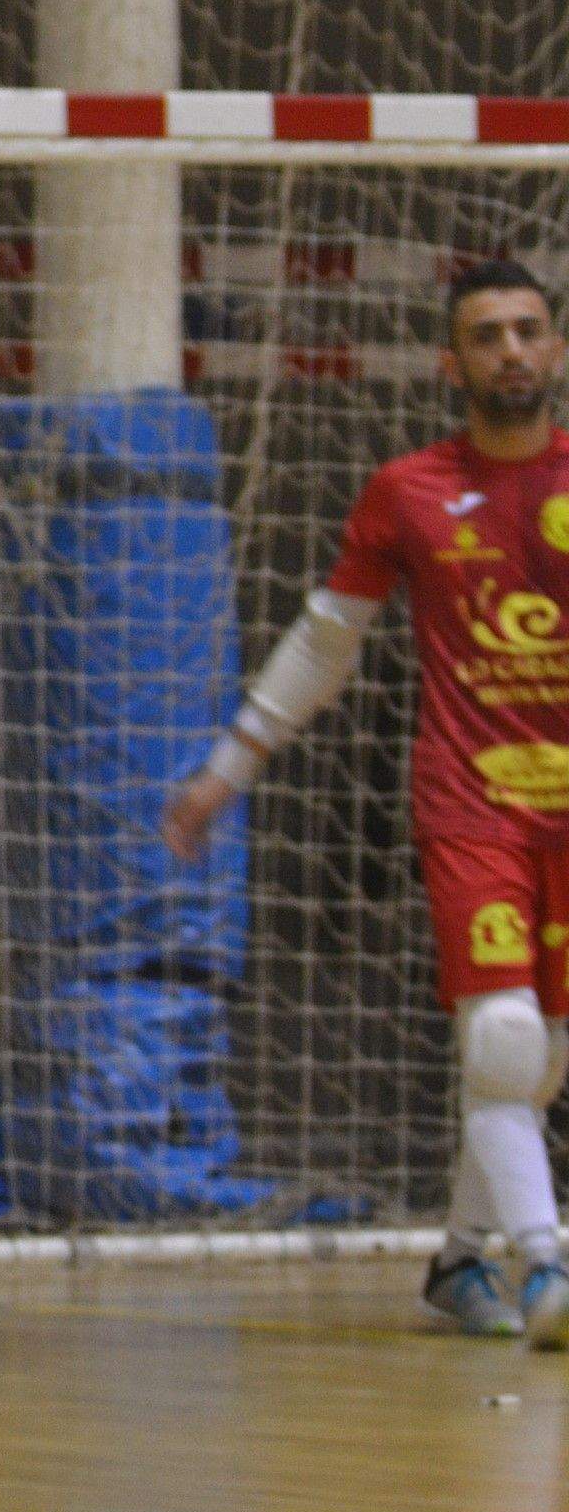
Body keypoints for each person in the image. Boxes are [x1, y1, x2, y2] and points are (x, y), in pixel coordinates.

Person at [165, 257, 569, 1348]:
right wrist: (229, 766)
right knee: (504, 1039)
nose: (511, 351)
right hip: (473, 805)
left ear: (557, 348)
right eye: (486, 335)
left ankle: (458, 1261)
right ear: (451, 364)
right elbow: (326, 641)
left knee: (544, 1056)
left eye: (528, 329)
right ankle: (548, 1265)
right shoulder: (408, 491)